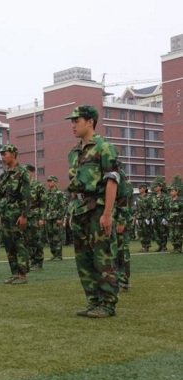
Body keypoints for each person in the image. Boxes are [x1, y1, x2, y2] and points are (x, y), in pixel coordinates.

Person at [66, 105, 120, 318]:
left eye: (76, 120)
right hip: (79, 210)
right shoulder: (74, 153)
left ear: (90, 122)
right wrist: (69, 212)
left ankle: (107, 303)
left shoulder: (104, 147)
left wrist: (107, 213)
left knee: (102, 257)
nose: (73, 125)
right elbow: (73, 186)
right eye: (72, 121)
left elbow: (112, 181)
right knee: (84, 258)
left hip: (96, 209)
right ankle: (93, 300)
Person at [0, 144, 30, 284]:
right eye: (2, 154)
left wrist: (24, 215)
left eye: (5, 154)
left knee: (19, 243)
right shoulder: (4, 175)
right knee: (8, 244)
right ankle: (15, 273)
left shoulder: (22, 173)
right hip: (6, 214)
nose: (3, 156)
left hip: (17, 213)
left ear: (14, 154)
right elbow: (2, 196)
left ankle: (22, 274)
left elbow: (26, 196)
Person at [25, 164, 46, 271]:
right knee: (27, 240)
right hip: (25, 217)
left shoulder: (38, 186)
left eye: (27, 172)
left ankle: (38, 262)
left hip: (35, 216)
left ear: (32, 173)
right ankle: (31, 261)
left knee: (37, 240)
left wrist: (41, 218)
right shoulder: (23, 186)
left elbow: (43, 203)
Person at [45, 176, 67, 260]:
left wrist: (60, 218)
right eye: (48, 181)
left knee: (57, 236)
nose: (49, 183)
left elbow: (63, 207)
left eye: (51, 181)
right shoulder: (47, 193)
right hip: (48, 217)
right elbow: (45, 206)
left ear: (55, 182)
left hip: (56, 217)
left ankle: (58, 255)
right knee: (50, 236)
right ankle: (54, 254)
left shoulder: (59, 193)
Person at [150, 178, 169, 252]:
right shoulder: (153, 197)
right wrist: (151, 217)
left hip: (162, 216)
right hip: (155, 216)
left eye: (156, 186)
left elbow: (167, 208)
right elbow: (152, 207)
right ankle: (159, 246)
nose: (155, 188)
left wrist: (165, 217)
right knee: (156, 232)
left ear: (160, 187)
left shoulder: (165, 196)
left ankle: (164, 247)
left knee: (163, 232)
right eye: (154, 187)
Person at [134, 184, 152, 252]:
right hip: (139, 217)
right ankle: (143, 246)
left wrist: (149, 217)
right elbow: (137, 208)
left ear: (144, 189)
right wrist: (135, 218)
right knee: (140, 232)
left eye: (140, 188)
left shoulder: (148, 197)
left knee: (146, 232)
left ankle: (147, 246)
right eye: (139, 188)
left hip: (146, 217)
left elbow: (151, 208)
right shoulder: (138, 197)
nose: (139, 189)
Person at [167, 185, 183, 253]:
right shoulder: (169, 200)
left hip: (178, 220)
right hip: (171, 220)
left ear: (177, 192)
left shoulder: (180, 200)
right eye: (170, 191)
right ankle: (175, 247)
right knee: (171, 235)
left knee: (177, 234)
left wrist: (181, 220)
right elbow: (167, 210)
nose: (171, 192)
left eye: (172, 191)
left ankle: (179, 248)